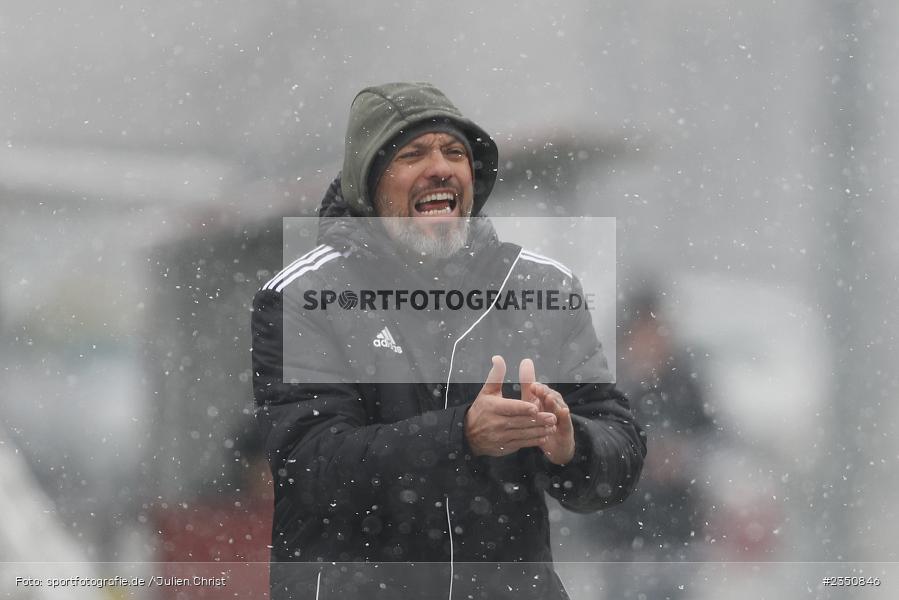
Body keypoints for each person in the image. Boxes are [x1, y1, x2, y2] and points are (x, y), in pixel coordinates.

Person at [251, 82, 646, 599]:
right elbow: (314, 467)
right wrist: (460, 435)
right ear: (368, 184)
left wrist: (571, 445)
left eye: (455, 152)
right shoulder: (304, 295)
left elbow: (621, 447)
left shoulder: (540, 288)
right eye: (412, 154)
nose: (441, 168)